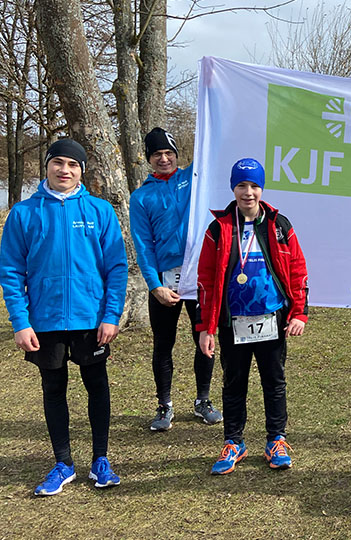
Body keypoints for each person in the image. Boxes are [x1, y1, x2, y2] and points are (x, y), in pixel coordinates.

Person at [0, 138, 127, 495]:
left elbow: (117, 268)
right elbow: (11, 272)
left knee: (96, 386)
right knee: (53, 388)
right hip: (45, 320)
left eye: (73, 165)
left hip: (91, 319)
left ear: (81, 171)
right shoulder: (24, 213)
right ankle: (62, 463)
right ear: (47, 167)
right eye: (58, 163)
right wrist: (21, 323)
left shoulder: (100, 210)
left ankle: (100, 460)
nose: (64, 171)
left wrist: (111, 315)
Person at [195, 158, 309, 474]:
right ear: (233, 188)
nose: (248, 192)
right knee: (234, 383)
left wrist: (299, 312)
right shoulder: (219, 228)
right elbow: (205, 279)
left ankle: (276, 440)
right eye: (242, 185)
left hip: (271, 318)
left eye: (254, 185)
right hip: (234, 322)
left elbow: (298, 269)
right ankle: (234, 442)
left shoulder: (278, 224)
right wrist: (206, 327)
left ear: (262, 188)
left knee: (274, 381)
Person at [130, 127, 221, 431]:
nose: (164, 158)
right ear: (149, 159)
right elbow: (143, 245)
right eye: (157, 154)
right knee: (163, 345)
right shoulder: (141, 196)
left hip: (199, 277)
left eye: (169, 153)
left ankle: (203, 400)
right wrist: (154, 286)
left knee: (204, 339)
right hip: (165, 282)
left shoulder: (192, 178)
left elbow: (215, 147)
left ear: (177, 155)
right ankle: (164, 404)